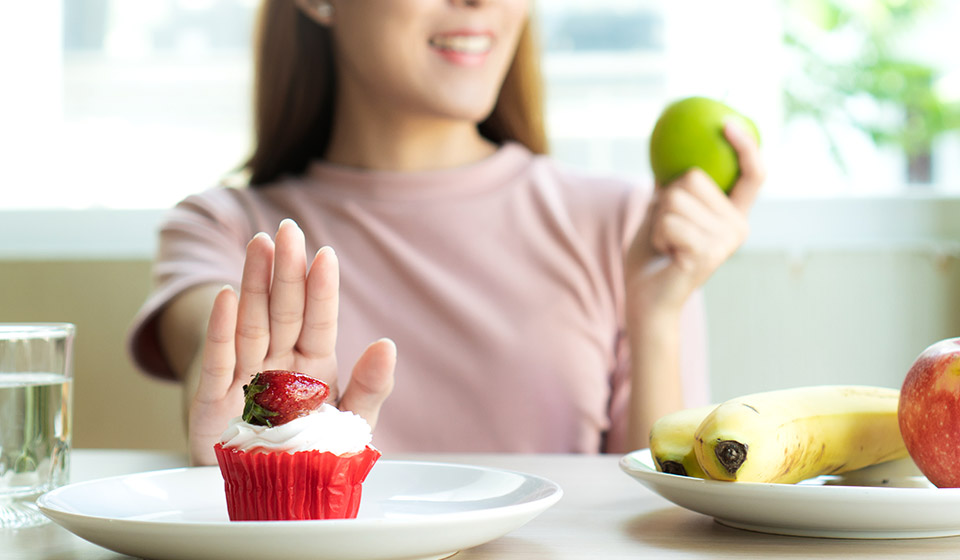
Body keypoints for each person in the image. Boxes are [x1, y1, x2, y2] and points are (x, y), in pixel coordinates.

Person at [128, 0, 764, 466]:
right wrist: (250, 434)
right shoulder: (223, 230)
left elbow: (655, 515)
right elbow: (217, 377)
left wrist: (657, 315)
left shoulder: (626, 226)